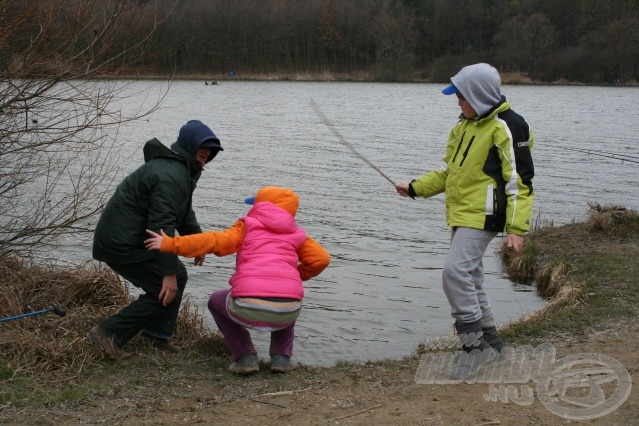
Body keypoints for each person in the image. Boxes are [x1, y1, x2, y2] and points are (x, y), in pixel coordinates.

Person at [395, 63, 535, 379]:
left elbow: (520, 181)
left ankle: (474, 350)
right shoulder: (463, 127)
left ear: (478, 95)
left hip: (484, 215)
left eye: (461, 97)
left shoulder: (506, 126)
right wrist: (416, 188)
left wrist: (516, 227)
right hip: (462, 213)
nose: (457, 102)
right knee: (471, 278)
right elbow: (449, 173)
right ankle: (492, 345)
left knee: (454, 273)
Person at [144, 186, 330, 374]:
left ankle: (245, 356)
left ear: (260, 205)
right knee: (287, 296)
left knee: (215, 301)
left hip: (246, 307)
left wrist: (170, 243)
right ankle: (281, 358)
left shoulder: (247, 227)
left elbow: (213, 240)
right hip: (286, 313)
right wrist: (297, 276)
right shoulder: (298, 234)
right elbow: (321, 259)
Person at [88, 120, 223, 358]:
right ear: (188, 146)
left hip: (129, 239)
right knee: (161, 287)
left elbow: (182, 214)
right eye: (202, 150)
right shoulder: (171, 175)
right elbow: (161, 226)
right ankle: (107, 334)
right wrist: (167, 273)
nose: (206, 155)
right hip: (120, 243)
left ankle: (157, 335)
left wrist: (198, 244)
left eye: (209, 153)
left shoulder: (181, 170)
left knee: (177, 277)